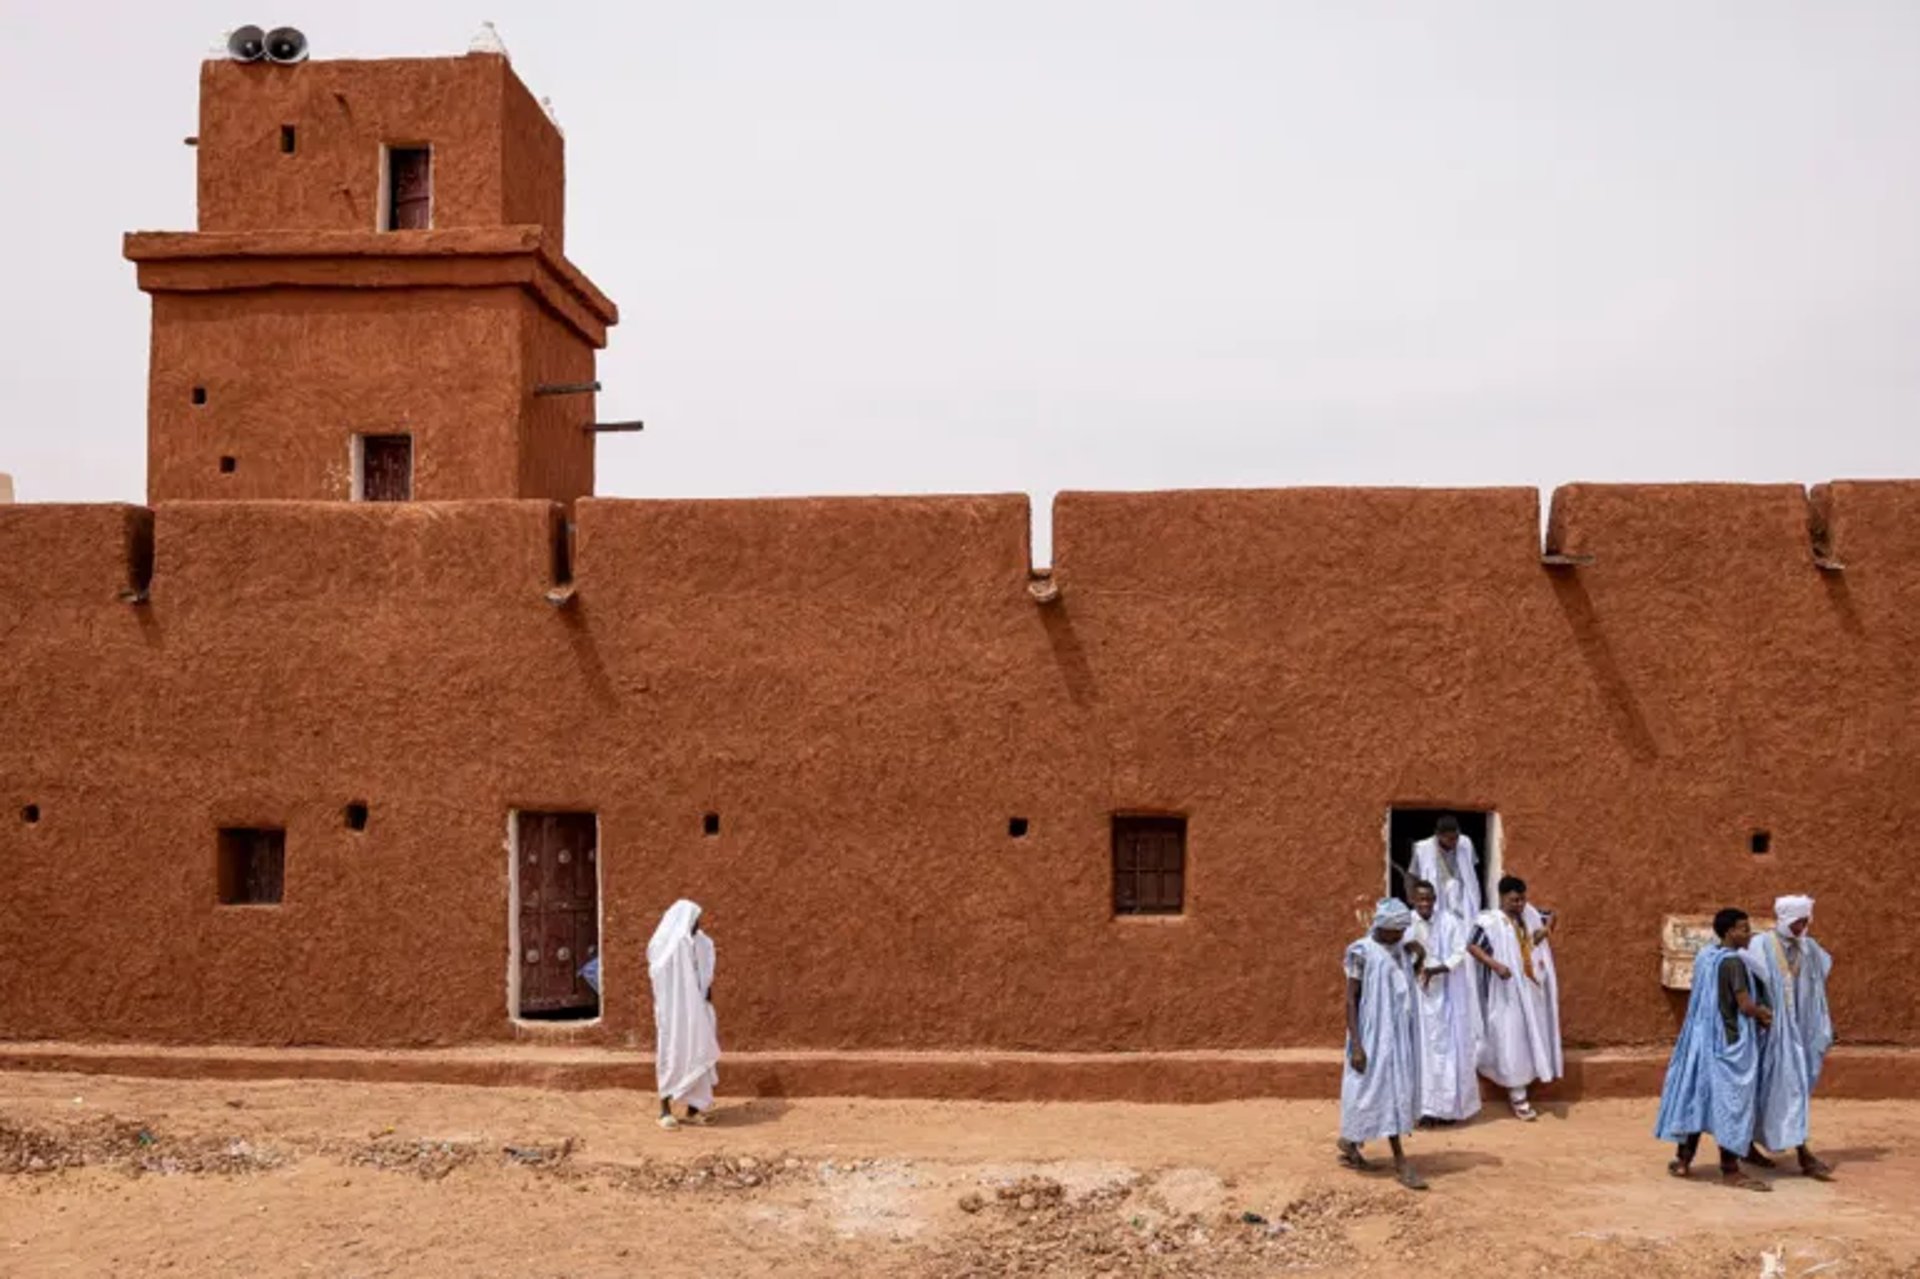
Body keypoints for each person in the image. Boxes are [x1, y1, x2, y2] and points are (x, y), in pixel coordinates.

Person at [1653, 908, 1772, 1190]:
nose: (1748, 934)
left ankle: (1683, 1160)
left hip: (1700, 1040)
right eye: (1744, 928)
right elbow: (1744, 1005)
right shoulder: (1734, 964)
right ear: (1730, 931)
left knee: (1698, 1098)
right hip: (1727, 1044)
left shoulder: (1706, 956)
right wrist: (1764, 1014)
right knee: (1731, 1104)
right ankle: (1730, 1169)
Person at [1337, 897, 1428, 1190]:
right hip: (1372, 1034)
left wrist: (1419, 957)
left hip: (1397, 1034)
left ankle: (1350, 1142)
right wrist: (1358, 1045)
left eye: (1403, 932)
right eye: (1397, 931)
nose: (1401, 936)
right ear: (1384, 927)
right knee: (1371, 1090)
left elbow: (1403, 988)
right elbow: (1351, 999)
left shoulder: (1400, 950)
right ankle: (1401, 1162)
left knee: (1392, 1090)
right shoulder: (1361, 952)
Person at [1743, 894, 1835, 1180]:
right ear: (1783, 919)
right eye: (1797, 922)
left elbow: (1819, 984)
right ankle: (1798, 1154)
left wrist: (1822, 1025)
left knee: (1795, 1089)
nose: (1801, 928)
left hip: (1800, 1034)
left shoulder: (1810, 949)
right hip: (1769, 1034)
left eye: (1805, 922)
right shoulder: (1760, 945)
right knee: (1762, 1091)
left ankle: (1795, 1149)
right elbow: (1747, 983)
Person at [1467, 874, 1562, 1121]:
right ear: (1502, 897)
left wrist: (1543, 932)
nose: (1519, 904)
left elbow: (1550, 916)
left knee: (1531, 1038)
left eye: (1522, 899)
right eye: (1514, 900)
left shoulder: (1529, 914)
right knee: (1512, 1040)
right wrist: (1495, 964)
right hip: (1505, 992)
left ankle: (1527, 1082)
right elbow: (1472, 946)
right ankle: (1518, 1096)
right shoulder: (1489, 922)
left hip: (1531, 989)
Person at [1407, 879, 1482, 1125]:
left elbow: (1460, 952)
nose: (1425, 903)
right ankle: (1425, 1110)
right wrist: (1419, 969)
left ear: (1435, 900)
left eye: (1429, 899)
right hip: (1419, 997)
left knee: (1450, 1052)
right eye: (1421, 899)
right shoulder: (1406, 923)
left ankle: (1448, 1110)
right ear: (1413, 900)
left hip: (1448, 995)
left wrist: (1436, 970)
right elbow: (1400, 953)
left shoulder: (1449, 921)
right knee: (1422, 1053)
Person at [648, 899, 720, 1130]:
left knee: (699, 1053)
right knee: (672, 1055)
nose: (698, 923)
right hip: (674, 1012)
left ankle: (693, 1110)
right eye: (694, 919)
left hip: (699, 1009)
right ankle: (664, 1111)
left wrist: (707, 999)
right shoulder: (666, 944)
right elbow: (658, 973)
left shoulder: (702, 943)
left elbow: (706, 974)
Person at [1410, 815, 1481, 922]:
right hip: (1438, 898)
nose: (1455, 842)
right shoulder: (1423, 849)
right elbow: (1412, 875)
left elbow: (1472, 871)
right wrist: (1414, 899)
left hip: (1462, 900)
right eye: (1450, 839)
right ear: (1438, 835)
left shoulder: (1466, 844)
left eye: (1456, 837)